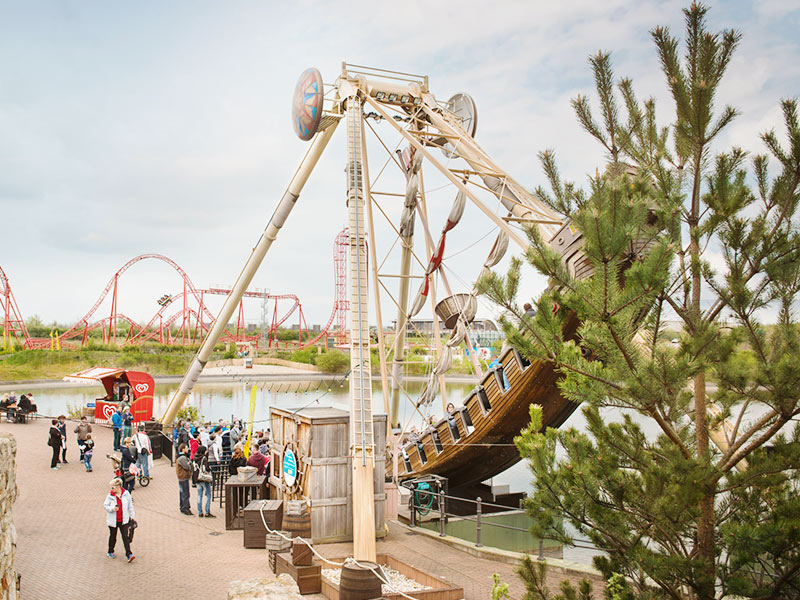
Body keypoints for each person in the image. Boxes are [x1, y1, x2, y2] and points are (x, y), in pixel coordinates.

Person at [103, 477, 135, 562]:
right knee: (113, 536)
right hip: (113, 521)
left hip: (124, 520)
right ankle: (110, 551)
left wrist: (132, 516)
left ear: (118, 487)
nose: (112, 489)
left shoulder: (126, 494)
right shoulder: (110, 496)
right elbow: (105, 505)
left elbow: (130, 506)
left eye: (113, 487)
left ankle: (129, 554)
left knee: (125, 537)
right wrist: (113, 509)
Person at [192, 446, 215, 518]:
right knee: (208, 495)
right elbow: (206, 469)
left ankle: (200, 512)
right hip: (204, 478)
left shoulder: (195, 458)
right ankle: (207, 511)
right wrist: (209, 469)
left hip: (197, 478)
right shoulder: (204, 458)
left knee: (199, 495)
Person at [175, 443, 193, 515]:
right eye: (186, 448)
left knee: (182, 492)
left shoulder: (181, 457)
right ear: (183, 449)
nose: (188, 449)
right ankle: (185, 508)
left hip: (182, 477)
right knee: (185, 493)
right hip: (183, 477)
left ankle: (182, 506)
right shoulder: (182, 458)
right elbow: (187, 466)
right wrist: (190, 464)